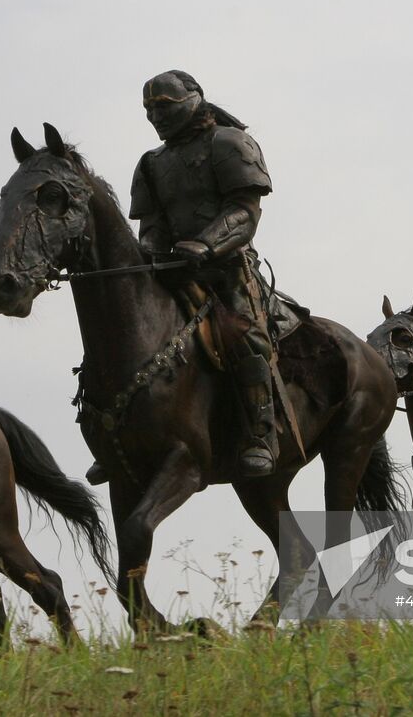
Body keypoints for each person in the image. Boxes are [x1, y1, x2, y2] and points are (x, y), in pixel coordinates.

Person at [91, 70, 276, 481]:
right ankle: (117, 434)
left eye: (164, 106)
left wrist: (205, 244)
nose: (155, 115)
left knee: (245, 339)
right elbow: (152, 224)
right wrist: (151, 254)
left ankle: (260, 433)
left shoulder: (229, 143)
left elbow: (245, 212)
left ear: (194, 99)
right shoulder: (151, 163)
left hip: (226, 269)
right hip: (171, 270)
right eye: (149, 109)